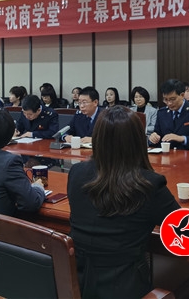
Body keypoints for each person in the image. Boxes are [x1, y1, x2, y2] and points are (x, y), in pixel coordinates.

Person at [67, 106, 180, 298]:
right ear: (138, 140)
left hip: (77, 283)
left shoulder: (76, 173)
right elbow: (185, 230)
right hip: (125, 287)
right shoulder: (149, 183)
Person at [150, 79, 189, 151]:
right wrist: (154, 137)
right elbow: (158, 134)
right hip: (167, 153)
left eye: (172, 99)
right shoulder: (162, 113)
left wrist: (182, 138)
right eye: (165, 99)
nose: (169, 103)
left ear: (182, 95)